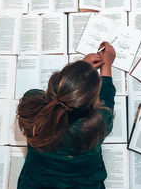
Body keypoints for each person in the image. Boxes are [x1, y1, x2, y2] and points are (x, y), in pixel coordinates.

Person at [17, 42, 116, 189]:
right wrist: (106, 65)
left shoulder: (31, 103)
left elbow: (61, 97)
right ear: (93, 104)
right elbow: (107, 99)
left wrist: (79, 73)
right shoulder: (99, 123)